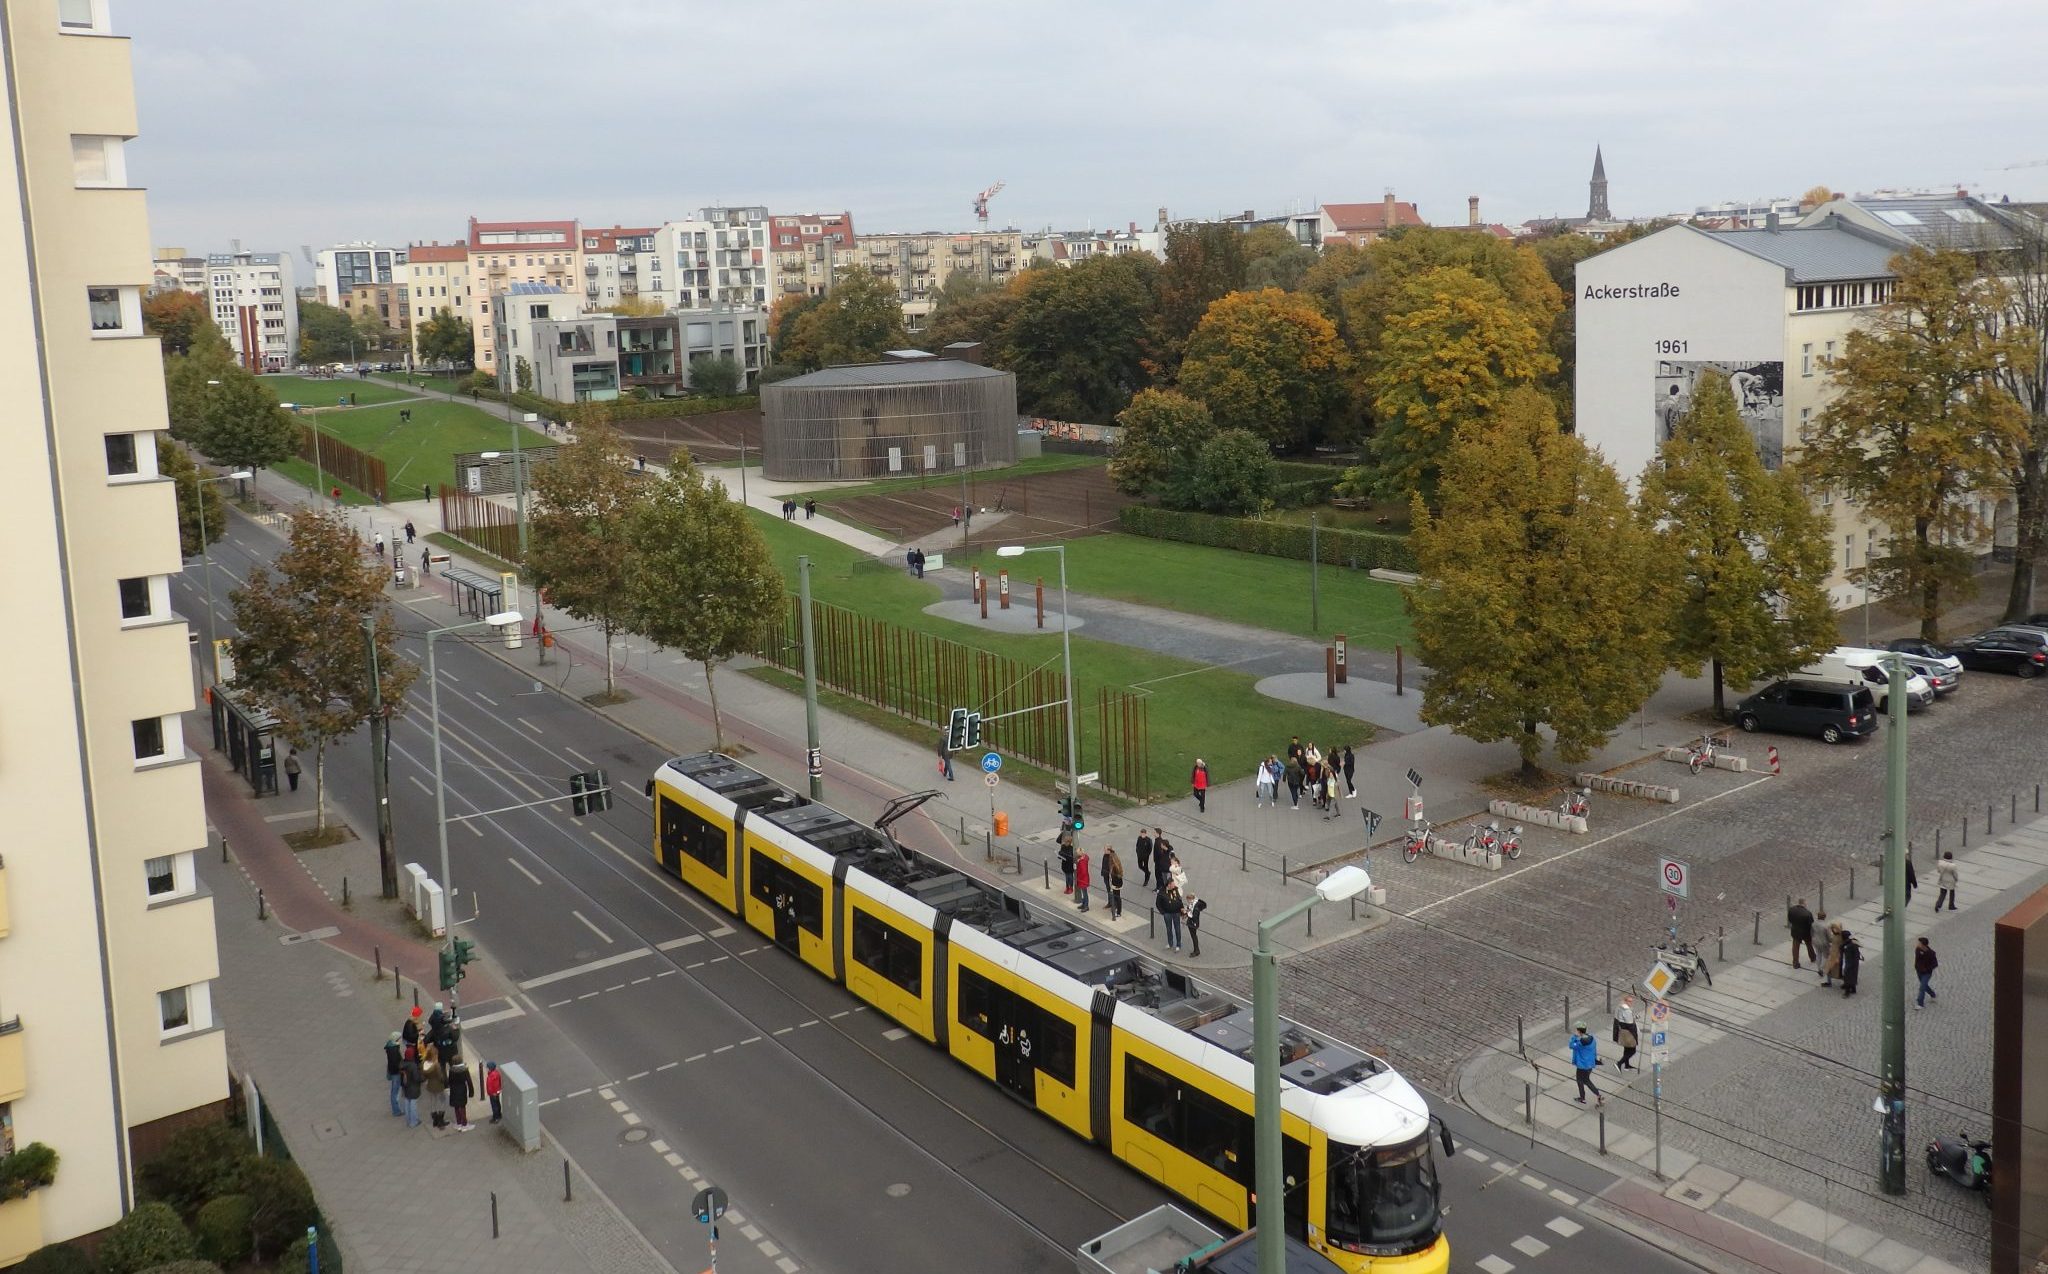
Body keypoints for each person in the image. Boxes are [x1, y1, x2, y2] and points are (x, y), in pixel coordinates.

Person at [1568, 1022, 1605, 1106]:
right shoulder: (1591, 1038)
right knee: (1586, 1080)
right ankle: (1595, 1096)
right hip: (1590, 1064)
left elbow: (1571, 1045)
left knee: (1582, 1080)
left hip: (1582, 1066)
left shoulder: (1579, 1043)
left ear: (1579, 1031)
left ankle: (1587, 1097)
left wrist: (1575, 1037)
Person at [1787, 898, 1816, 969]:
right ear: (1804, 903)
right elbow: (1811, 924)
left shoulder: (1791, 910)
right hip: (1806, 932)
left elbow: (1790, 919)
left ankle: (1795, 963)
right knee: (1809, 945)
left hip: (1795, 931)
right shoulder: (1807, 913)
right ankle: (1813, 957)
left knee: (1795, 948)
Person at [399, 1047, 424, 1128]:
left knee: (407, 1103)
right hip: (413, 1088)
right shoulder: (413, 1066)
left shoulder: (402, 1064)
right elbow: (417, 1078)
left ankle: (408, 1120)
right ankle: (414, 1121)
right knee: (413, 1105)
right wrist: (423, 1077)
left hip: (406, 1087)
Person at [447, 1058, 475, 1131]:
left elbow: (449, 1081)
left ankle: (458, 1123)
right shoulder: (464, 1070)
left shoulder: (451, 1070)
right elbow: (469, 1081)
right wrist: (471, 1092)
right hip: (462, 1089)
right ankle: (464, 1124)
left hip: (453, 1090)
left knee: (456, 1106)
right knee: (462, 1107)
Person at [1613, 995, 1639, 1071]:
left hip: (1622, 1031)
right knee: (1632, 1051)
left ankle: (1627, 1065)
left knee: (1627, 1049)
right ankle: (1619, 1063)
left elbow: (1623, 1019)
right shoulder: (1627, 1010)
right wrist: (1635, 1032)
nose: (1631, 1003)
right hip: (1628, 1033)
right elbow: (1630, 1024)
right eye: (1629, 1001)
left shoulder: (1620, 1007)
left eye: (1631, 1001)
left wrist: (1634, 1017)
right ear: (1625, 1001)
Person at [1158, 883, 1184, 953]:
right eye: (1172, 885)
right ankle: (1170, 943)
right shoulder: (1162, 893)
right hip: (1167, 913)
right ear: (1168, 885)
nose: (1174, 886)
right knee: (1169, 928)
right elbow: (1158, 903)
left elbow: (1179, 900)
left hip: (1176, 913)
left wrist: (1182, 909)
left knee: (1177, 928)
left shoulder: (1175, 890)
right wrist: (1163, 912)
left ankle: (1178, 945)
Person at [1914, 936, 1939, 1008]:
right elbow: (1918, 960)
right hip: (1919, 971)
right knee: (1924, 986)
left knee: (1922, 987)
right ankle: (1932, 994)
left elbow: (1935, 964)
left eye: (1919, 943)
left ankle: (1920, 1003)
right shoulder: (1918, 950)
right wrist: (1917, 967)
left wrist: (1926, 969)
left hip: (1927, 973)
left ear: (1923, 945)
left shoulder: (1931, 953)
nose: (1917, 944)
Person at [385, 1032, 406, 1116]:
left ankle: (397, 1109)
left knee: (395, 1091)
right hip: (396, 1073)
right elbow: (395, 1063)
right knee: (395, 1091)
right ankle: (396, 1110)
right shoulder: (394, 1049)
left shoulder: (390, 1047)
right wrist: (400, 1069)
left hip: (393, 1071)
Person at [1838, 928, 1863, 996]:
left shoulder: (1848, 946)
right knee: (1853, 976)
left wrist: (1846, 968)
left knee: (1848, 977)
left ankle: (1847, 992)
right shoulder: (1852, 942)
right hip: (1854, 963)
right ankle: (1853, 989)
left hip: (1849, 964)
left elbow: (1848, 958)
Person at [1819, 917, 1842, 986]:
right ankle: (1829, 982)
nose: (1832, 930)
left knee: (1832, 970)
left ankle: (1829, 982)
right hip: (1834, 954)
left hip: (1836, 955)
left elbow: (1831, 940)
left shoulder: (1838, 937)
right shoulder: (1839, 935)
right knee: (1830, 969)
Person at [1103, 848, 1124, 919]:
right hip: (1116, 883)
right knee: (1116, 897)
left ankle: (1119, 912)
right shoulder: (1116, 863)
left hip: (1116, 884)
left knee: (1117, 897)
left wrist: (1113, 885)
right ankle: (1117, 910)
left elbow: (1116, 877)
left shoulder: (1115, 866)